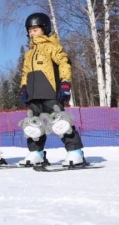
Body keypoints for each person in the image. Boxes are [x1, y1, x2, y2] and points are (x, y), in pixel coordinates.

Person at [18, 13, 85, 167]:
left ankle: (75, 151)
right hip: (34, 95)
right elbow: (25, 73)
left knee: (60, 122)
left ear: (45, 28)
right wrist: (23, 88)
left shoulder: (52, 47)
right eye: (29, 30)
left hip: (50, 92)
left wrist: (65, 84)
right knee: (33, 125)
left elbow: (64, 63)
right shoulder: (28, 54)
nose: (31, 32)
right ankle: (36, 153)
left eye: (35, 29)